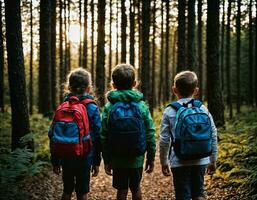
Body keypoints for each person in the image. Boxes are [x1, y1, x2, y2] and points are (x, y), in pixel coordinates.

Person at [159, 71, 218, 200]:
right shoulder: (203, 109)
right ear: (196, 91)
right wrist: (212, 160)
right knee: (199, 193)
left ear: (174, 90)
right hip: (201, 159)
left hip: (179, 160)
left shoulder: (170, 111)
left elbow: (164, 140)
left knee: (182, 195)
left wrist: (163, 162)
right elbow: (213, 134)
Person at [100, 64, 156, 200]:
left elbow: (103, 135)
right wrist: (151, 157)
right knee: (136, 188)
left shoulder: (109, 107)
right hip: (136, 159)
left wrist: (106, 159)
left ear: (113, 85)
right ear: (135, 84)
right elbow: (150, 132)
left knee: (122, 191)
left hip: (118, 158)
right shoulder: (141, 106)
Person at [49, 68, 101, 200]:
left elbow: (52, 135)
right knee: (82, 192)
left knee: (67, 190)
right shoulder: (92, 107)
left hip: (66, 156)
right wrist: (96, 161)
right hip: (85, 156)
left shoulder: (63, 107)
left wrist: (55, 161)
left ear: (68, 87)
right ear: (89, 88)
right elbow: (98, 135)